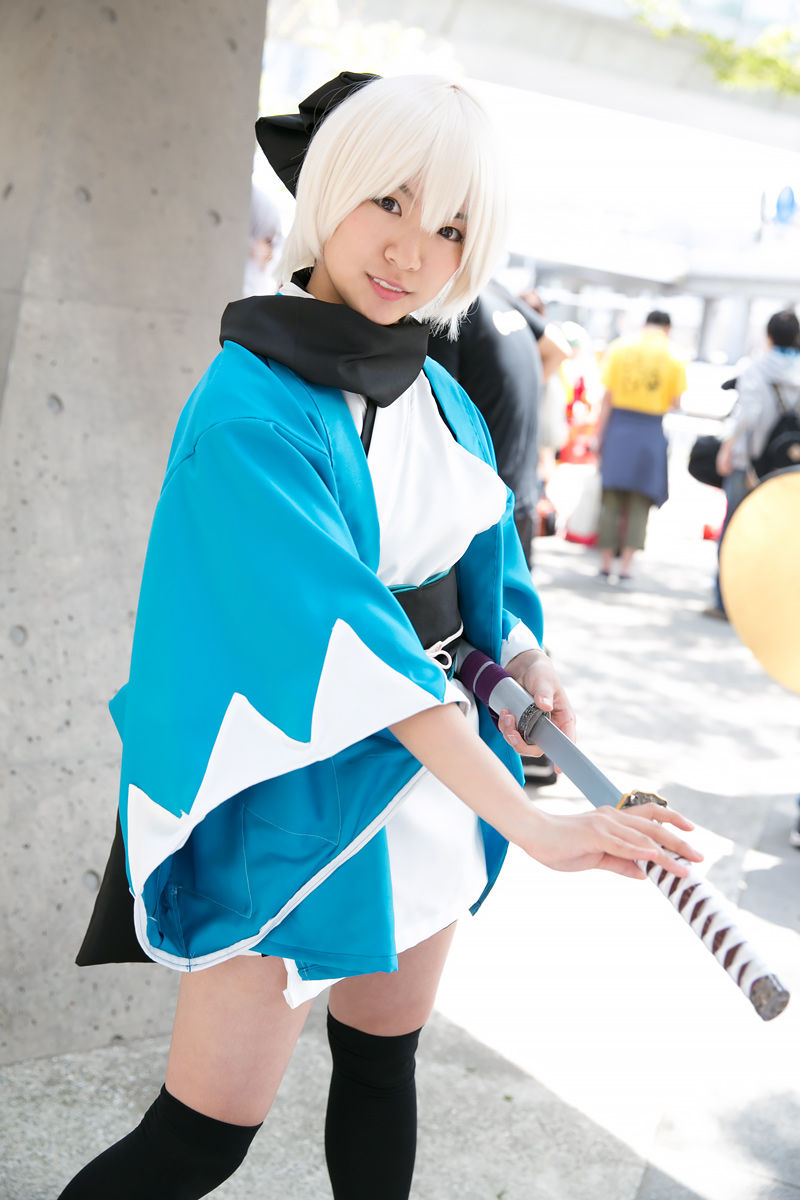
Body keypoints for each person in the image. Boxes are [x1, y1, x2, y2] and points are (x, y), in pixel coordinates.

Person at [57, 73, 701, 1200]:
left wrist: (528, 658)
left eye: (450, 226)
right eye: (389, 202)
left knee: (379, 1069)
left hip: (432, 787)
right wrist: (531, 822)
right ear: (329, 187)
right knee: (199, 1138)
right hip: (294, 796)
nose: (412, 250)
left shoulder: (441, 398)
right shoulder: (247, 408)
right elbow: (348, 651)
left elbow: (485, 573)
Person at [427, 279, 568, 569]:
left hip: (482, 505)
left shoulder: (450, 302)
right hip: (518, 489)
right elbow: (559, 348)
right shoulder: (494, 290)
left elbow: (431, 411)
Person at [706, 309, 800, 620]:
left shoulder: (756, 367)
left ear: (768, 335)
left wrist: (727, 448)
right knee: (777, 536)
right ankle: (763, 605)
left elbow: (747, 414)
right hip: (785, 467)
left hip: (748, 464)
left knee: (735, 530)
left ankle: (726, 602)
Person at [595, 311, 686, 582]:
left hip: (618, 427)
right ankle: (626, 567)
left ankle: (605, 563)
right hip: (650, 430)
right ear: (667, 328)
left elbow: (607, 397)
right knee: (640, 500)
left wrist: (599, 436)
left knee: (611, 497)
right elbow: (677, 402)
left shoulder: (620, 348)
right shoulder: (674, 355)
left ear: (646, 324)